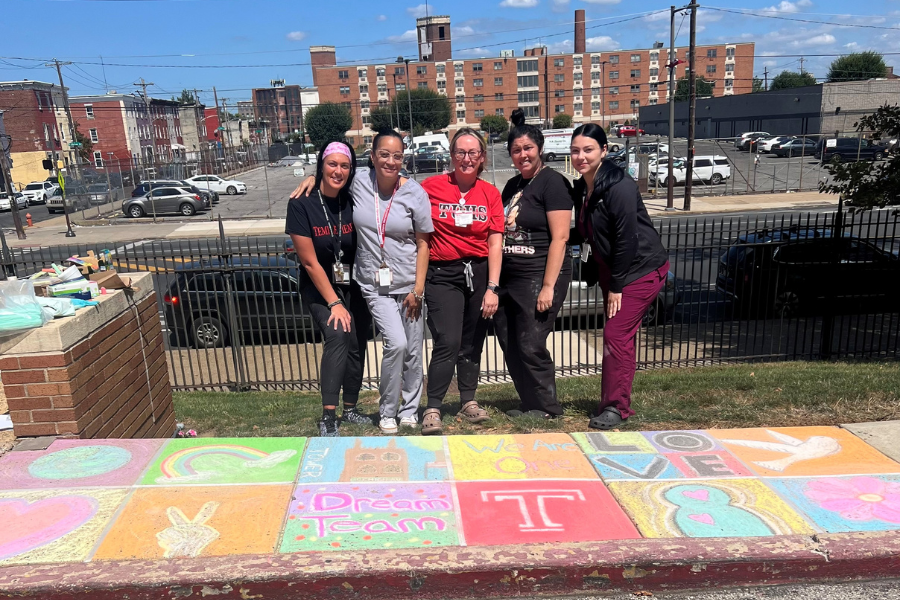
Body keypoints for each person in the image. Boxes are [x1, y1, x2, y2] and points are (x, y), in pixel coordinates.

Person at [291, 131, 433, 434]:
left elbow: (424, 243)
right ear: (373, 156)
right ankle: (373, 412)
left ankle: (397, 409)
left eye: (397, 156)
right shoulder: (357, 183)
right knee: (386, 342)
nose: (390, 161)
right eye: (384, 154)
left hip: (401, 283)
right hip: (360, 284)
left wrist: (418, 289)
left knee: (403, 349)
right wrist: (311, 177)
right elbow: (334, 174)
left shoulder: (409, 192)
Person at [570, 123, 669, 430]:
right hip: (613, 271)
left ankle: (616, 407)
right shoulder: (583, 188)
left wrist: (616, 287)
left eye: (588, 150)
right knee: (621, 338)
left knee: (615, 336)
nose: (581, 157)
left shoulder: (619, 186)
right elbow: (585, 233)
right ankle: (611, 401)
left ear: (604, 150)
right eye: (575, 151)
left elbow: (627, 239)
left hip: (639, 270)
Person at [419, 128, 504, 435]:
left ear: (482, 157)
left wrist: (492, 287)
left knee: (472, 341)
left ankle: (468, 401)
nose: (467, 158)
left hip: (478, 273)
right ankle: (433, 407)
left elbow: (495, 243)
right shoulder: (430, 187)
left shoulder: (490, 193)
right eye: (460, 152)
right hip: (443, 274)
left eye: (473, 153)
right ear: (452, 156)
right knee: (448, 340)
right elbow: (393, 186)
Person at [286, 141, 372, 437]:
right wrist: (334, 303)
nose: (338, 171)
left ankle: (351, 408)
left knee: (356, 341)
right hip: (318, 286)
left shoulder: (352, 198)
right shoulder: (301, 203)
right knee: (338, 333)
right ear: (321, 164)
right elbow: (309, 262)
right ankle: (328, 415)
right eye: (332, 164)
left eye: (344, 166)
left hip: (352, 284)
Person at [495, 109, 573, 419]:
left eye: (528, 148)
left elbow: (560, 238)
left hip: (539, 274)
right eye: (516, 150)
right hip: (510, 278)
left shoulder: (553, 183)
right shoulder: (512, 185)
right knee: (510, 341)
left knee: (531, 343)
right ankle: (529, 402)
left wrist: (548, 287)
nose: (522, 155)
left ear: (539, 148)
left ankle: (547, 407)